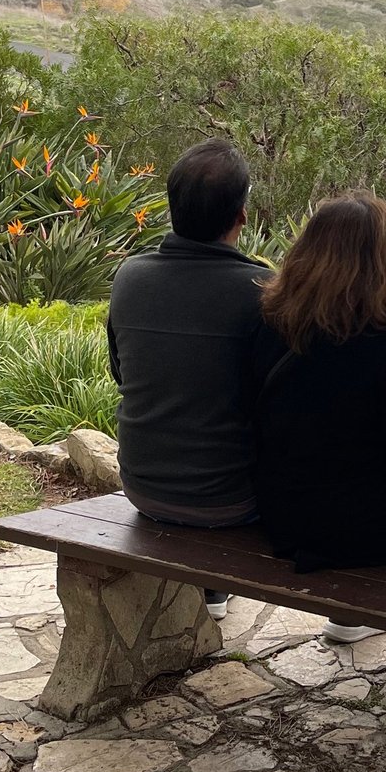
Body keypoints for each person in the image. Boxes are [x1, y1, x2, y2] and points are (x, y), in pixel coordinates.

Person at [254, 191, 386, 640]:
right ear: (384, 265)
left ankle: (354, 616)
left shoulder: (269, 324)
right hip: (363, 532)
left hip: (282, 516)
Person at [107, 137, 268, 619]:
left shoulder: (130, 277)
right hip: (232, 503)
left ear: (170, 208)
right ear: (241, 215)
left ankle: (211, 589)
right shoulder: (260, 291)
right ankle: (215, 585)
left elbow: (121, 373)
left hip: (145, 487)